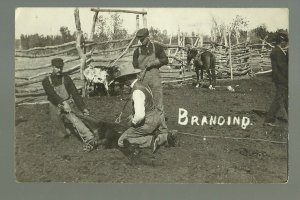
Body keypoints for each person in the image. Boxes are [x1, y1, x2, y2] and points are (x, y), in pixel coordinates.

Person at [113, 64, 176, 161]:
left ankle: (153, 140)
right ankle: (164, 137)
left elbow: (140, 116)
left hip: (148, 122)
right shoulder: (143, 84)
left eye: (122, 79)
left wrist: (132, 123)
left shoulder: (136, 91)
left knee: (121, 141)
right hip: (156, 117)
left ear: (126, 78)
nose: (122, 82)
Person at [42, 58, 98, 151]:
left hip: (67, 102)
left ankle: (89, 137)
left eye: (61, 67)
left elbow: (75, 93)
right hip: (54, 105)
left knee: (74, 119)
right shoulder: (46, 81)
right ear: (52, 67)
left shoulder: (66, 78)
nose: (59, 70)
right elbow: (52, 95)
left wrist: (83, 108)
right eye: (57, 68)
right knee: (59, 127)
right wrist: (62, 103)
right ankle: (65, 132)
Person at [132, 28, 169, 135]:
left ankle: (163, 130)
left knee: (158, 105)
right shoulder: (136, 51)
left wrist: (153, 63)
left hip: (155, 80)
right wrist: (138, 75)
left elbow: (165, 60)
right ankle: (145, 129)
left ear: (148, 37)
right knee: (142, 105)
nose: (141, 41)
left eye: (143, 39)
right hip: (142, 82)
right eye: (139, 39)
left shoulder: (156, 47)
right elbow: (135, 67)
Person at [264, 30, 289, 127]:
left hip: (280, 78)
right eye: (285, 42)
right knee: (279, 99)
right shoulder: (277, 52)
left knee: (286, 99)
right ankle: (269, 119)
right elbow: (283, 67)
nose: (285, 44)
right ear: (281, 42)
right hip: (281, 79)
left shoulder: (277, 50)